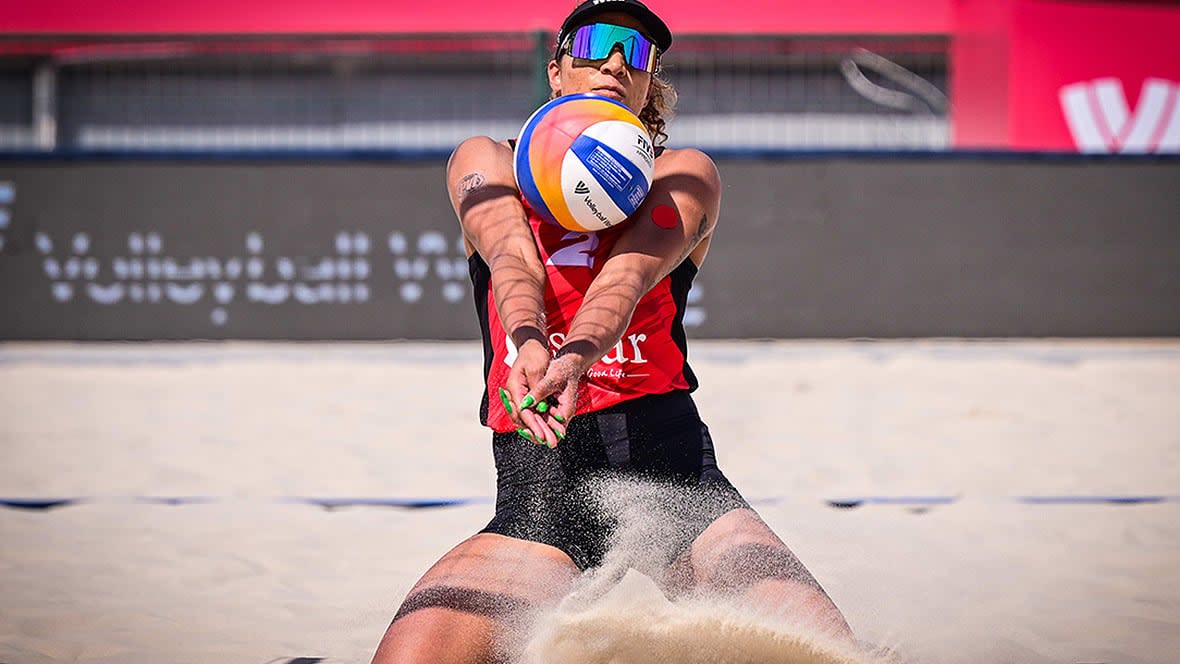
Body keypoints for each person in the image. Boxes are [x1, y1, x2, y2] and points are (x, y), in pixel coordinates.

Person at [371, 1, 853, 661]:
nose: (618, 61)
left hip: (678, 485)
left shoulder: (683, 174)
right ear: (556, 71)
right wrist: (531, 340)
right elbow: (511, 257)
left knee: (823, 649)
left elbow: (624, 280)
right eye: (596, 43)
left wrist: (573, 357)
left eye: (639, 52)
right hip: (542, 498)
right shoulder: (486, 159)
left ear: (650, 84)